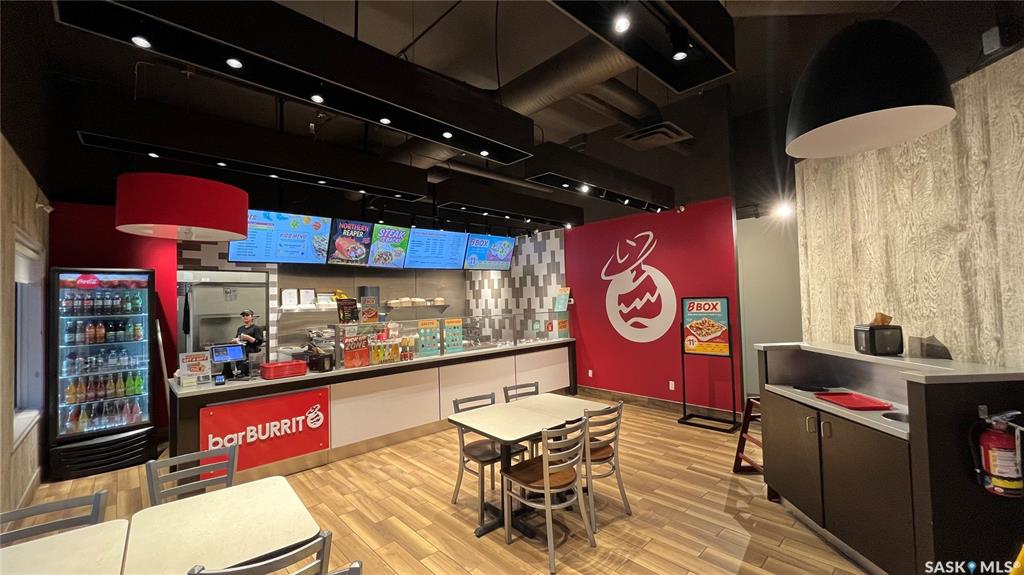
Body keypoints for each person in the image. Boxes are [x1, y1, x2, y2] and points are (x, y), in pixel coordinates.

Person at [226, 309, 264, 377]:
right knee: (240, 375)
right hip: (240, 356)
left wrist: (248, 338)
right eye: (243, 315)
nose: (245, 317)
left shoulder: (256, 328)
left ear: (252, 317)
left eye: (247, 315)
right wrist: (234, 341)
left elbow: (259, 342)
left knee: (250, 376)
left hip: (251, 357)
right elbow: (237, 339)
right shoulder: (240, 329)